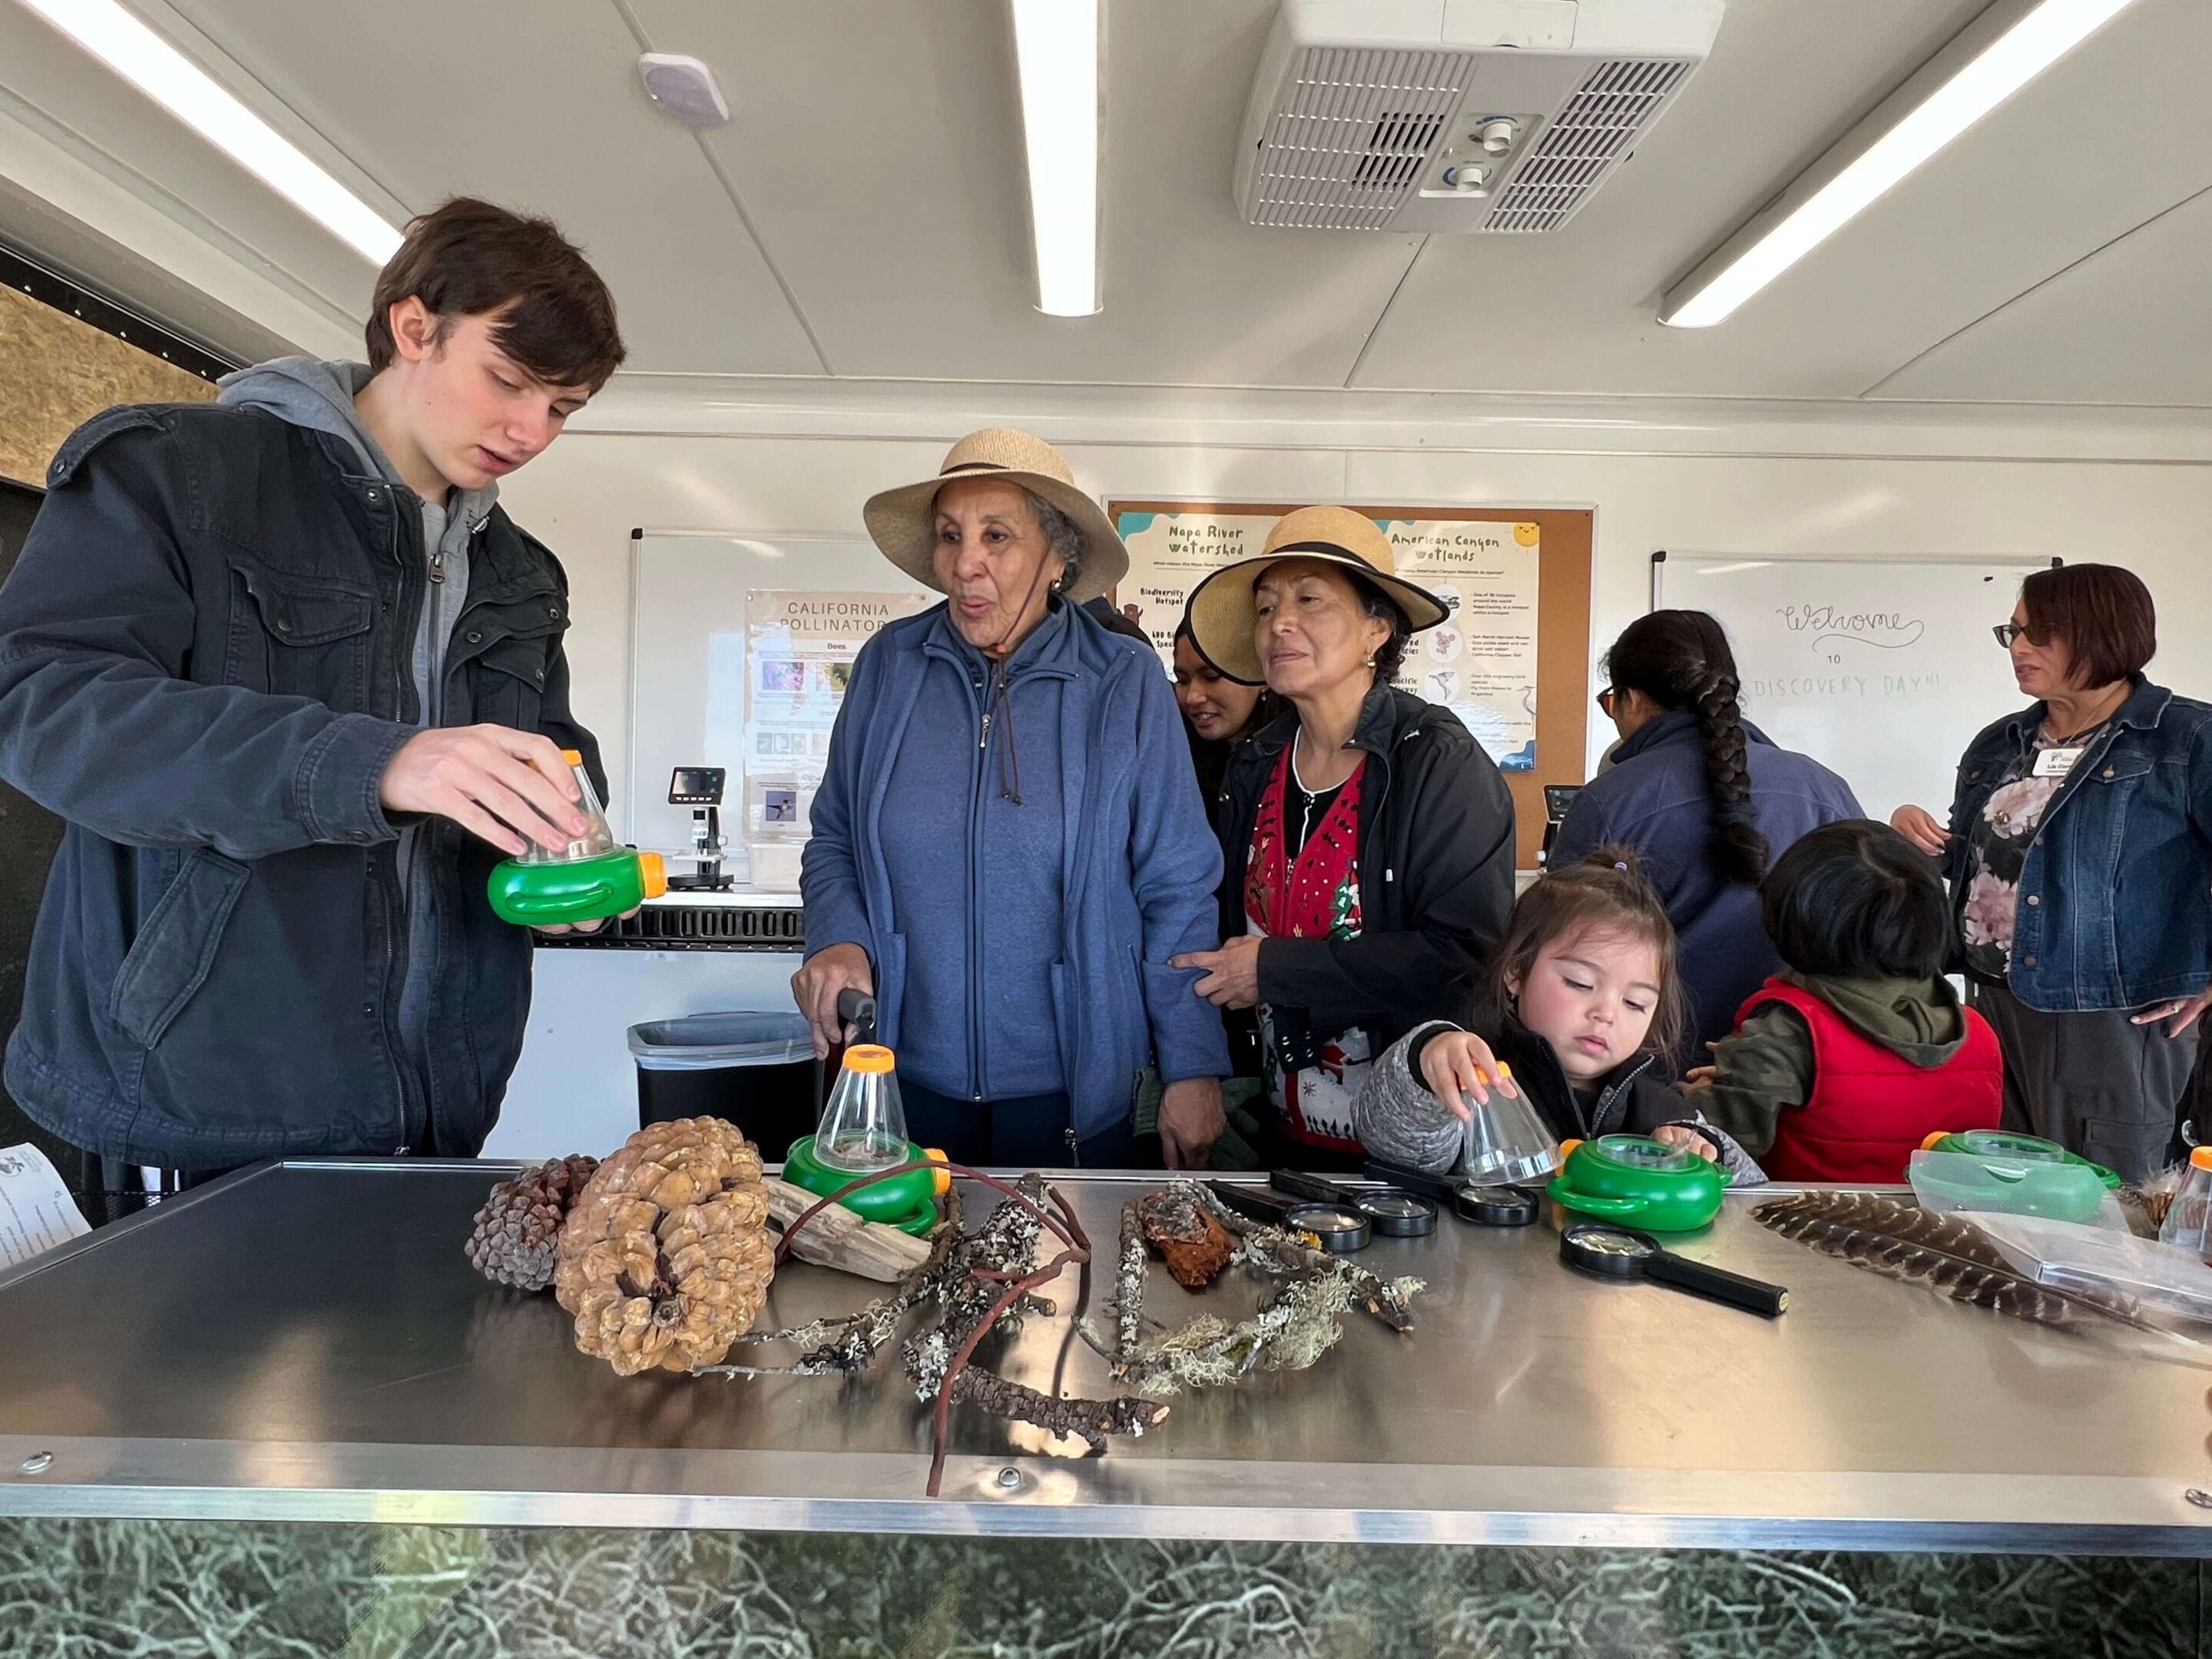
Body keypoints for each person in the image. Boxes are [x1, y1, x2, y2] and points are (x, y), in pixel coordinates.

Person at [0, 198, 626, 1180]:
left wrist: (565, 853)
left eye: (563, 409)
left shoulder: (521, 572)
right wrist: (376, 762)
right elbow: (45, 705)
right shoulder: (182, 472)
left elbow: (553, 755)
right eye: (509, 381)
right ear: (415, 328)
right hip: (193, 1107)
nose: (531, 430)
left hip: (442, 1110)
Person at [793, 429, 1228, 1168]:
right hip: (902, 1077)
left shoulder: (1122, 682)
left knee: (1065, 1278)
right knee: (907, 1275)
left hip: (1072, 1081)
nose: (967, 563)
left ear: (1057, 557)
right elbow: (834, 837)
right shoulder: (889, 668)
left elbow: (1177, 884)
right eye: (951, 536)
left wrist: (1192, 1064)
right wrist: (836, 935)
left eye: (997, 536)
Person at [1174, 506, 1515, 1168]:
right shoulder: (1256, 766)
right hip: (1278, 1137)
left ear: (1376, 631)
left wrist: (1273, 970)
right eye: (1267, 606)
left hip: (1409, 1147)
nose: (1280, 623)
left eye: (1310, 600)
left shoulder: (1435, 762)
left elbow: (1469, 960)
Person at [1890, 565, 2212, 1181]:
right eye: (2011, 632)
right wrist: (1917, 835)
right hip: (1990, 1004)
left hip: (2111, 1015)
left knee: (2103, 1210)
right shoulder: (2001, 742)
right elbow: (1986, 864)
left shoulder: (2184, 737)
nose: (2018, 648)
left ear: (2103, 633)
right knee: (2005, 1202)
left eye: (2040, 633)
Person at [1553, 610, 1860, 1063]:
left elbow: (1562, 951)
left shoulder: (1607, 802)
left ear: (1632, 700)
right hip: (1800, 1067)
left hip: (1647, 1069)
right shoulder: (1827, 791)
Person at [1355, 849, 1752, 1180]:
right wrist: (1427, 1060)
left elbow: (1752, 1196)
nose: (1606, 1014)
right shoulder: (1478, 1082)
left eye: (1636, 1003)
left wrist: (1703, 1150)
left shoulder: (1660, 1110)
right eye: (1580, 983)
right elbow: (1397, 1146)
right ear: (1517, 972)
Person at [1684, 820, 2002, 1182]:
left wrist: (1688, 1097)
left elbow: (1708, 1149)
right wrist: (1747, 1071)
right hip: (1939, 1233)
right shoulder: (1980, 1034)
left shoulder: (1788, 1029)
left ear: (1795, 919)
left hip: (1804, 1228)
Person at [1171, 619, 1274, 808]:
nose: (1192, 697)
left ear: (1261, 676)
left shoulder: (1297, 765)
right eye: (1182, 680)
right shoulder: (1175, 758)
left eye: (1211, 677)